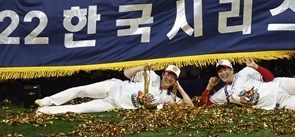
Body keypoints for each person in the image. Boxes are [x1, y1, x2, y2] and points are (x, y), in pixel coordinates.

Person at [36, 64, 192, 114]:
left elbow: (189, 106)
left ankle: (45, 111)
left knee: (80, 108)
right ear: (163, 73)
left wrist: (180, 88)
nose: (169, 78)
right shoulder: (151, 75)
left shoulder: (167, 97)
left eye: (173, 77)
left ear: (174, 81)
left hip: (113, 105)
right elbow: (126, 73)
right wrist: (142, 67)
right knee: (80, 90)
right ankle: (47, 101)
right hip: (114, 87)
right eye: (168, 74)